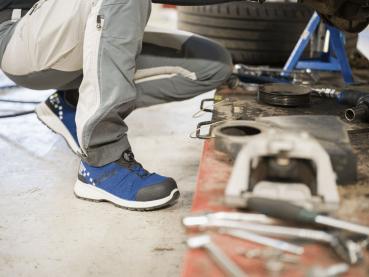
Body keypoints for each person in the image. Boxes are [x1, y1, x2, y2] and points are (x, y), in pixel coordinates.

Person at [0, 0, 233, 210]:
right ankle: (101, 162)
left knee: (212, 65)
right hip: (17, 35)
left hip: (66, 26)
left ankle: (73, 101)